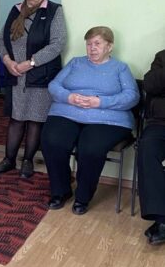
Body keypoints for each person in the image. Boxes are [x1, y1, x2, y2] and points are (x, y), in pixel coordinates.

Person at [42, 26, 139, 215]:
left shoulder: (120, 68)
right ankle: (60, 191)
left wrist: (100, 102)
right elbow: (54, 85)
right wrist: (69, 97)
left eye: (97, 44)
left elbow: (132, 96)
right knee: (52, 141)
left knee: (90, 148)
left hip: (107, 119)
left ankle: (83, 197)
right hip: (68, 112)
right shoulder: (75, 63)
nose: (92, 48)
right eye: (88, 44)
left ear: (109, 46)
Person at [0, 0, 66, 178]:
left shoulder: (54, 11)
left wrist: (31, 63)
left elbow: (57, 44)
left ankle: (28, 161)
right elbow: (1, 39)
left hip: (39, 76)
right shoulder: (16, 9)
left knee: (35, 119)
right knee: (16, 118)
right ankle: (9, 160)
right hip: (16, 74)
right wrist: (7, 61)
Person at [137, 49, 165, 245]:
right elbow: (150, 84)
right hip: (160, 123)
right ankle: (162, 220)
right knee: (147, 148)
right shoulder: (162, 57)